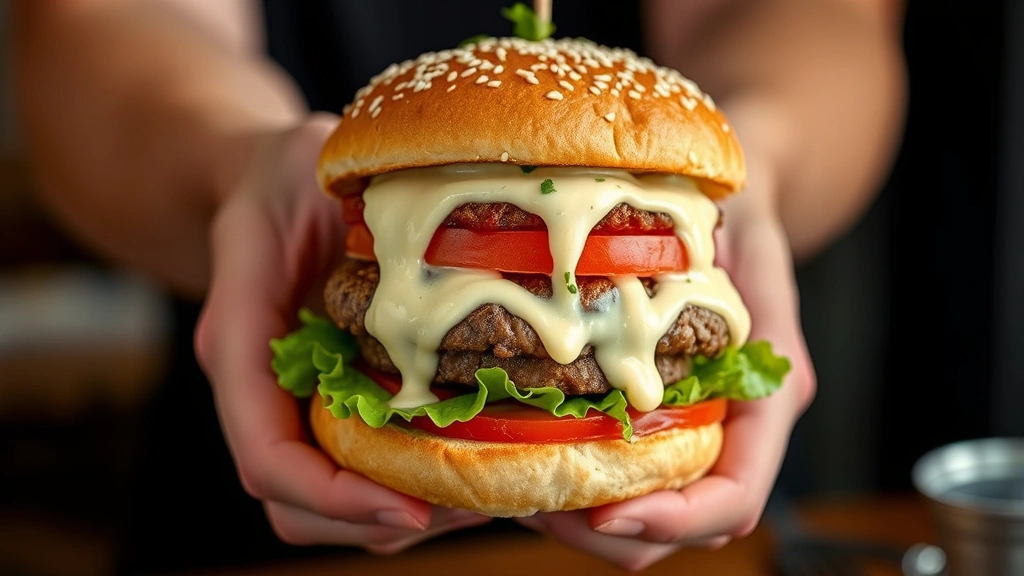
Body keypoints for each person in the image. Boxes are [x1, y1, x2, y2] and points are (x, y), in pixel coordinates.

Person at [12, 0, 907, 572]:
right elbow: (93, 24)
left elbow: (827, 19)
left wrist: (768, 152)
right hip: (241, 512)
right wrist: (228, 156)